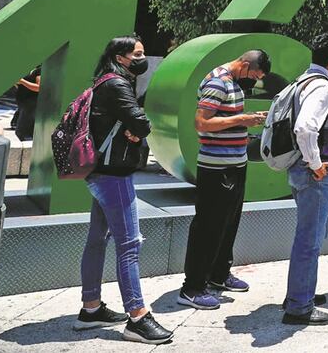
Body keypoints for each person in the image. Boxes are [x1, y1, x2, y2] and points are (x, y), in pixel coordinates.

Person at [78, 36, 172, 344]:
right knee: (129, 244)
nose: (142, 59)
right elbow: (143, 123)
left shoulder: (102, 80)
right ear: (121, 56)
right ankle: (138, 317)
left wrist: (131, 130)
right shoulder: (117, 85)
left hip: (98, 173)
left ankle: (91, 308)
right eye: (138, 54)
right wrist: (136, 131)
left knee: (97, 239)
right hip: (114, 176)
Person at [178, 51, 271, 309]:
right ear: (244, 64)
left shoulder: (234, 83)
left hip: (235, 164)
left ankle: (219, 275)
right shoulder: (217, 82)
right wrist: (243, 119)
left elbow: (225, 120)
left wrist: (248, 121)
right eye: (254, 74)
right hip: (215, 167)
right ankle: (192, 287)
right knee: (208, 226)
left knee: (228, 223)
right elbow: (202, 122)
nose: (254, 80)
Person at [283, 34, 328, 326]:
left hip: (302, 170)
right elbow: (305, 128)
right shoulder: (322, 87)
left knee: (314, 232)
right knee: (309, 239)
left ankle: (300, 292)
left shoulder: (305, 80)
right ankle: (299, 307)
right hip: (313, 172)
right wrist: (316, 163)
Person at [13, 65, 41, 141]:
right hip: (23, 101)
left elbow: (38, 87)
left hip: (31, 103)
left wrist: (22, 81)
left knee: (22, 132)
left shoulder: (39, 70)